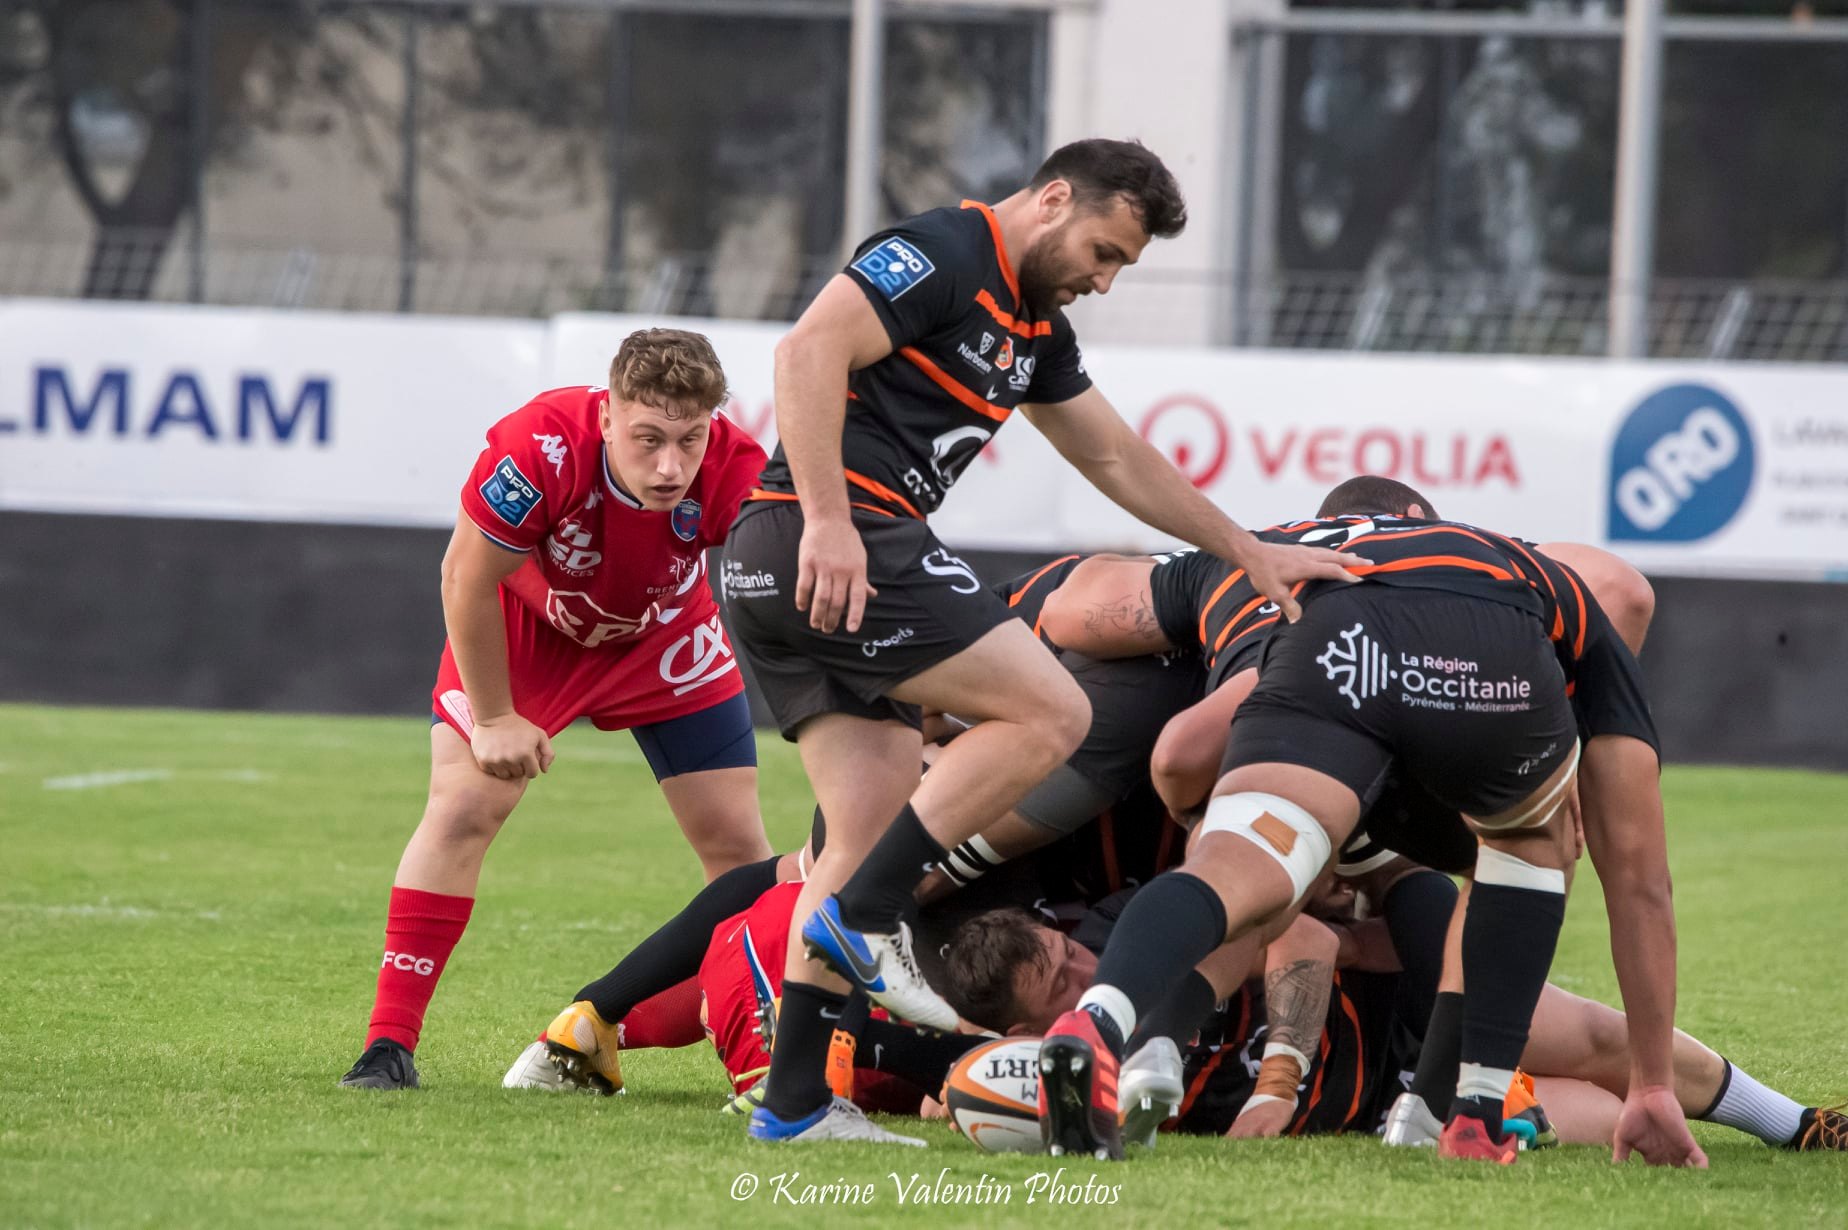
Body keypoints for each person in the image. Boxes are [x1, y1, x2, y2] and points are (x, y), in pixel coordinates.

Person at [719, 136, 1365, 1146]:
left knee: (854, 833)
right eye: (1103, 251)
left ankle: (796, 1100)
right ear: (1055, 198)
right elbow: (805, 350)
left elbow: (1112, 453)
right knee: (1054, 708)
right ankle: (873, 912)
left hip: (790, 568)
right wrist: (831, 519)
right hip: (836, 539)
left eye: (1120, 267)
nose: (1103, 280)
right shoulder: (941, 251)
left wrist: (1245, 549)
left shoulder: (1036, 329)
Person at [1037, 512, 1703, 1166]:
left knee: (1242, 863)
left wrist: (1203, 822)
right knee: (1531, 843)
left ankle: (1098, 1021)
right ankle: (1473, 1113)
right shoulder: (1537, 581)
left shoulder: (1263, 548)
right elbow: (1641, 885)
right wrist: (1651, 1086)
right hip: (1491, 656)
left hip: (1330, 643)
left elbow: (1088, 629)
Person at [339, 329, 775, 1092]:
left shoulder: (738, 468)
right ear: (607, 416)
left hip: (663, 636)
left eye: (689, 439)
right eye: (648, 439)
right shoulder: (540, 448)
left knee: (742, 853)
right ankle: (387, 1047)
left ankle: (666, 1039)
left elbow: (788, 579)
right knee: (465, 807)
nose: (671, 465)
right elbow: (463, 580)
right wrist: (497, 717)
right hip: (526, 632)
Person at [944, 900, 1848, 1153]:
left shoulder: (1133, 935)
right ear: (1026, 1032)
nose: (1086, 971)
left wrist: (1277, 1084)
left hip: (1410, 1010)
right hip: (1385, 1108)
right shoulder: (1051, 1079)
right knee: (1604, 1123)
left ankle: (1794, 1120)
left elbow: (1293, 927)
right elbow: (956, 1093)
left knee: (1612, 1044)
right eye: (1060, 986)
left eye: (1066, 950)